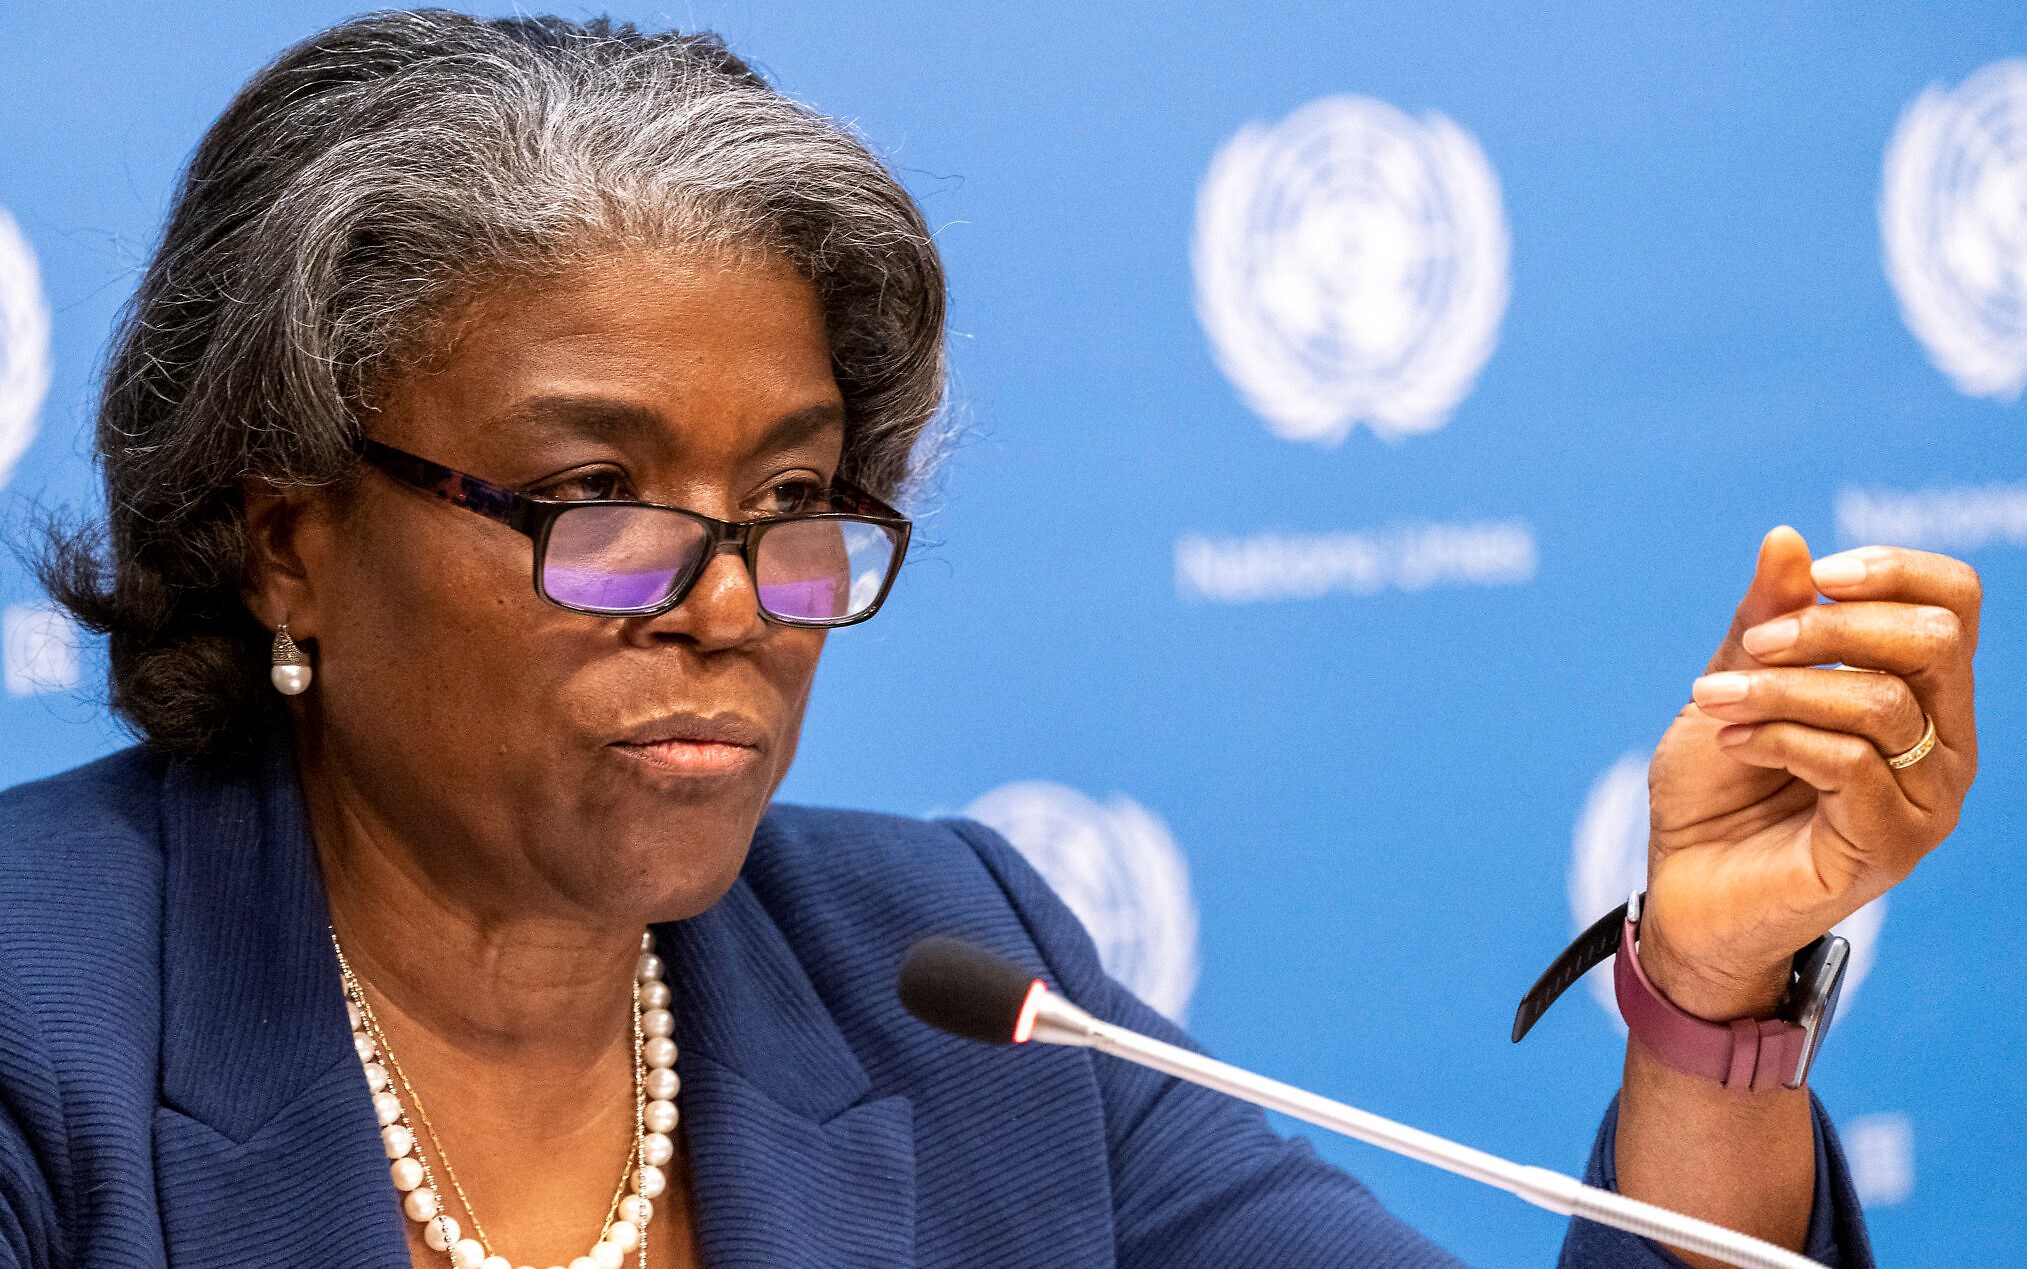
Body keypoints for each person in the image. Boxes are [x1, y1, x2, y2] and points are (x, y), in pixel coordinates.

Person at [0, 12, 1979, 1268]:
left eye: (791, 506)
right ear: (288, 543)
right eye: (595, 501)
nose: (725, 605)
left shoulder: (949, 977)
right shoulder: (43, 1019)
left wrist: (1707, 995)